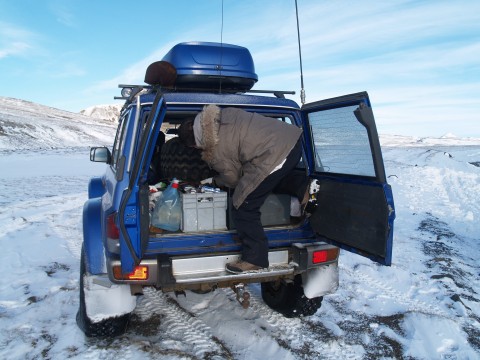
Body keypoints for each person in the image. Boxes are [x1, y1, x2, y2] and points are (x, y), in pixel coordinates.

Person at [178, 105, 308, 273]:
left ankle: (255, 259)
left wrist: (214, 182)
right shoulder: (222, 114)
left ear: (194, 144)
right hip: (293, 139)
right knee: (267, 179)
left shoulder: (215, 149)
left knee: (243, 204)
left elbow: (233, 180)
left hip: (273, 152)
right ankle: (301, 185)